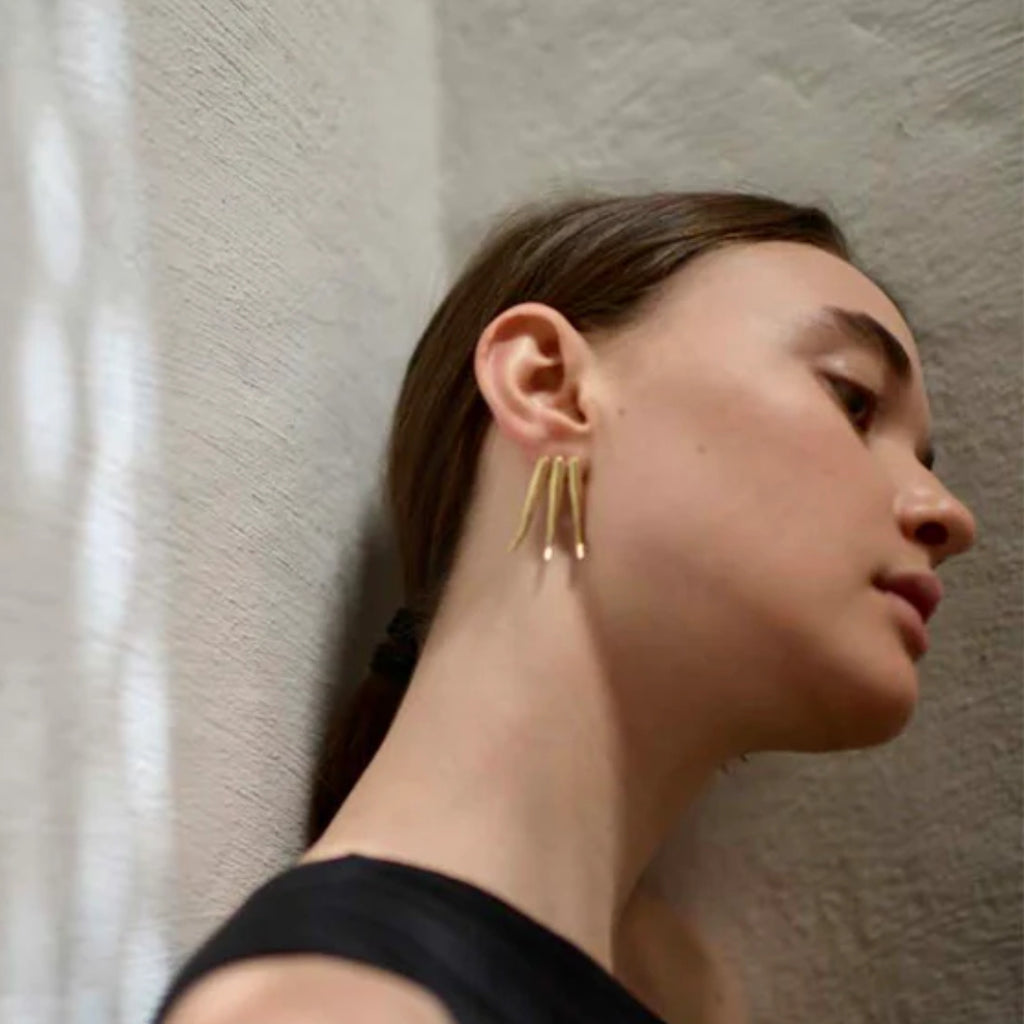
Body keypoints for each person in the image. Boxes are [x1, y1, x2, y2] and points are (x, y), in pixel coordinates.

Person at [153, 190, 977, 1024]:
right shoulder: (335, 1008)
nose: (948, 515)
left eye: (925, 459)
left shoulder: (680, 990)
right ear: (546, 387)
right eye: (852, 398)